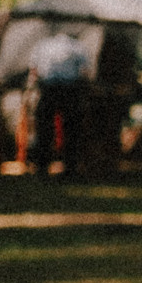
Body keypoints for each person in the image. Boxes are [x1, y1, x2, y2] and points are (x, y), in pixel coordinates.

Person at [28, 27, 91, 177]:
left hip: (49, 89)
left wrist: (33, 88)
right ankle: (70, 167)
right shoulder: (77, 47)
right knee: (71, 128)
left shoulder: (43, 45)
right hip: (69, 90)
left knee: (44, 128)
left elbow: (34, 69)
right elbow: (85, 71)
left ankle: (42, 167)